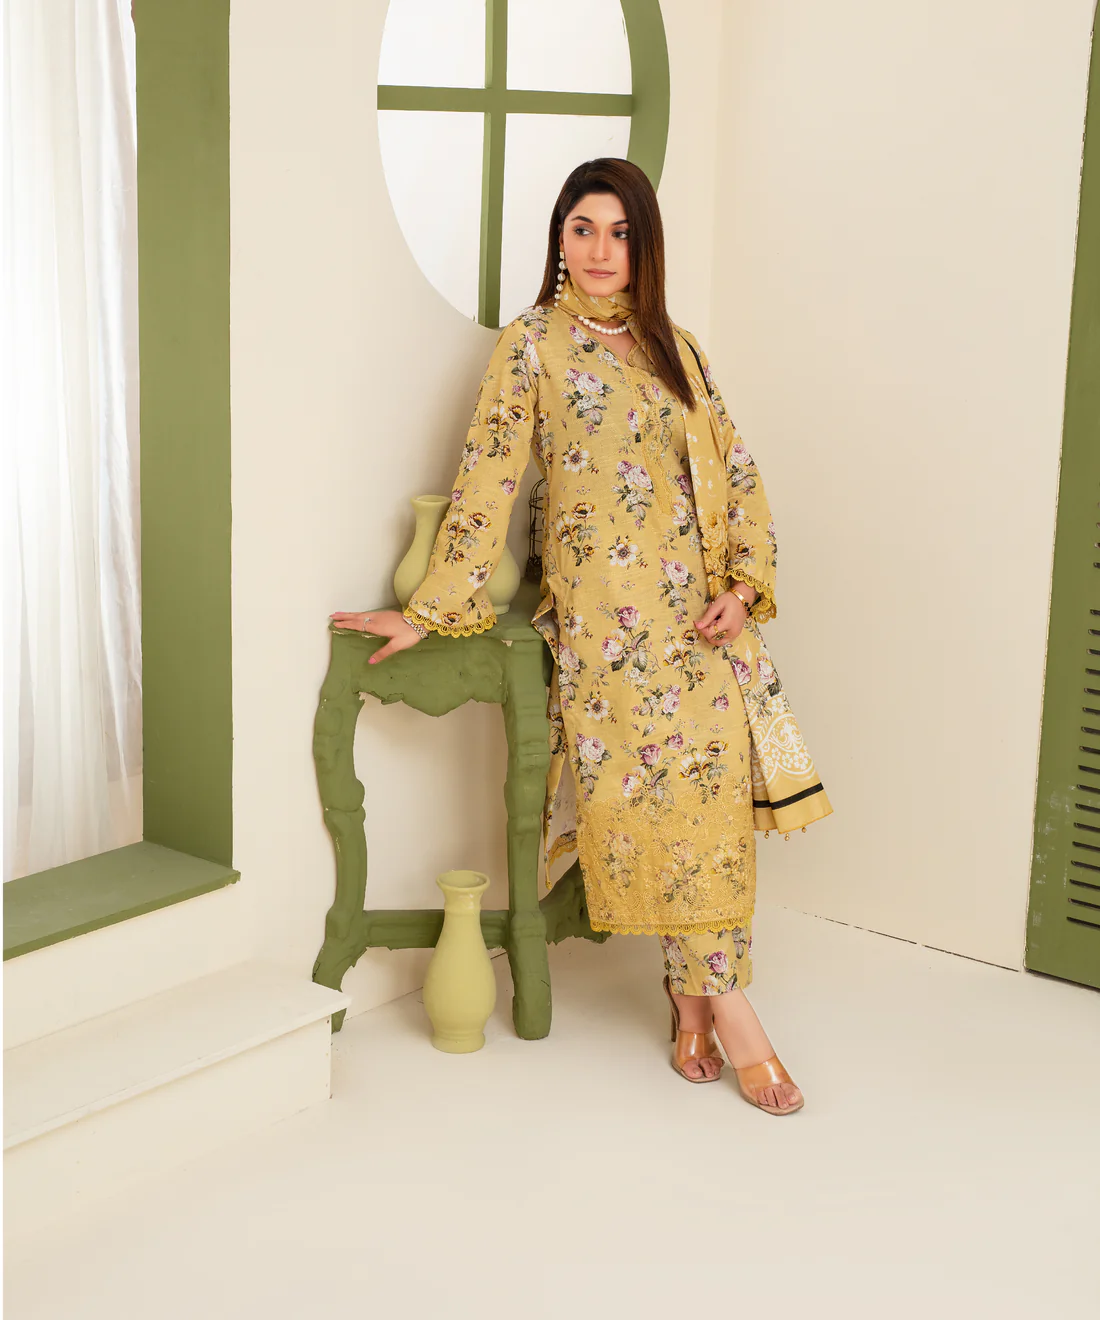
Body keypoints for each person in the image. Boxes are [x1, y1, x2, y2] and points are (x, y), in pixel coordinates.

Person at [332, 157, 831, 1115]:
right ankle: (736, 1018)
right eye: (583, 229)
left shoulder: (678, 349)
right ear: (560, 241)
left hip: (703, 627)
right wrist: (430, 607)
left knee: (711, 820)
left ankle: (690, 1001)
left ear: (645, 245)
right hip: (608, 633)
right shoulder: (531, 346)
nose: (601, 250)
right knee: (665, 817)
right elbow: (488, 478)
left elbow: (739, 474)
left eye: (621, 232)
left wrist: (743, 586)